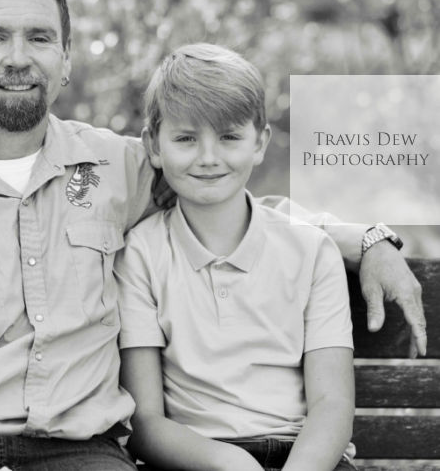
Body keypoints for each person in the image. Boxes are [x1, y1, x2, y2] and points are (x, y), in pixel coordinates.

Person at [0, 0, 425, 471]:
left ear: (66, 58)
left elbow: (221, 195)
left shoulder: (113, 169)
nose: (18, 57)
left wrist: (366, 240)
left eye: (39, 38)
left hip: (80, 453)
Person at [116, 43, 355, 471]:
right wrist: (231, 463)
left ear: (259, 142)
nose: (209, 158)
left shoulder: (313, 251)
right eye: (186, 139)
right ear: (153, 145)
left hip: (307, 458)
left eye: (229, 137)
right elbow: (145, 422)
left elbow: (332, 404)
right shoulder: (141, 254)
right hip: (197, 460)